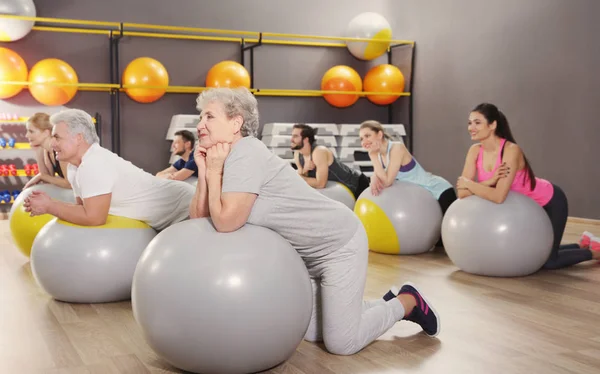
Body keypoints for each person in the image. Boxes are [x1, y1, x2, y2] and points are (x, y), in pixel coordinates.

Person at [189, 87, 440, 356]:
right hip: (305, 257)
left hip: (338, 245)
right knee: (311, 332)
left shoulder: (247, 151)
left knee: (342, 343)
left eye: (209, 117)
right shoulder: (224, 159)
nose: (200, 125)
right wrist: (204, 173)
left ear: (236, 122)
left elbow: (226, 222)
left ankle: (407, 302)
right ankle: (372, 307)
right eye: (200, 118)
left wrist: (214, 171)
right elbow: (200, 219)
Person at [457, 103, 600, 269]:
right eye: (469, 123)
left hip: (549, 202)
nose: (471, 127)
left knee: (547, 261)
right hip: (525, 211)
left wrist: (470, 184)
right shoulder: (474, 151)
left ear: (493, 125)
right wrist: (488, 181)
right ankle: (583, 244)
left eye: (477, 122)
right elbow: (462, 193)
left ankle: (595, 253)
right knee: (534, 253)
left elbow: (498, 196)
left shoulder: (511, 150)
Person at [23, 109, 194, 231]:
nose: (52, 144)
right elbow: (82, 209)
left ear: (78, 138)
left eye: (57, 137)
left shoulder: (94, 163)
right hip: (165, 219)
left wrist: (50, 205)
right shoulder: (75, 168)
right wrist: (49, 204)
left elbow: (94, 217)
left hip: (185, 209)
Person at [358, 120, 457, 216]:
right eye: (361, 138)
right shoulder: (379, 155)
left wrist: (372, 156)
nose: (364, 141)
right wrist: (374, 176)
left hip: (438, 191)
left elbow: (387, 181)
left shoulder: (397, 148)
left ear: (380, 134)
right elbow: (380, 178)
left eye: (367, 136)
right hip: (421, 198)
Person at [291, 123, 370, 198]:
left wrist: (298, 177)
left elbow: (320, 184)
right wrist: (305, 170)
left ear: (305, 140)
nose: (291, 139)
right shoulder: (298, 154)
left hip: (357, 183)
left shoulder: (319, 152)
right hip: (341, 190)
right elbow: (303, 175)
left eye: (295, 136)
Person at [23, 112, 71, 190]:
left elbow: (69, 184)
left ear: (46, 133)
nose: (27, 135)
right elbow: (47, 180)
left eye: (31, 131)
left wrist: (41, 176)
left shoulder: (60, 149)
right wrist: (38, 151)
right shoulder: (46, 150)